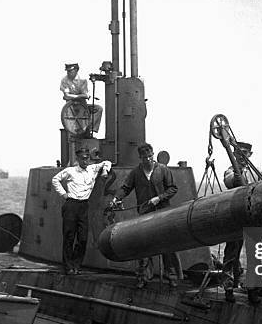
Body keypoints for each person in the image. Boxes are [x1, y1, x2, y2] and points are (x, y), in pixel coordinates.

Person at [111, 143, 182, 289]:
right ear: (140, 158)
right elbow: (126, 188)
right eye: (145, 157)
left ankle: (172, 276)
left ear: (153, 155)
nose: (148, 159)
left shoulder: (162, 170)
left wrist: (159, 198)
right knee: (144, 246)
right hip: (145, 214)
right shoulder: (136, 173)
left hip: (163, 212)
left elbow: (173, 188)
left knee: (167, 245)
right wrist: (117, 198)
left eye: (150, 156)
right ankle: (143, 277)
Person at [52, 146, 111, 275]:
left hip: (84, 206)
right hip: (71, 205)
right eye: (83, 159)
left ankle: (76, 265)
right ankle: (68, 266)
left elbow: (107, 162)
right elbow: (55, 179)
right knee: (69, 236)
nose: (86, 161)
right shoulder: (70, 171)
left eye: (87, 158)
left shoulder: (92, 169)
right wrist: (64, 194)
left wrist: (105, 171)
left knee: (83, 238)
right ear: (78, 159)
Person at [222, 141, 262, 304]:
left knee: (256, 256)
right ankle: (228, 288)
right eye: (238, 154)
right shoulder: (230, 171)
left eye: (244, 154)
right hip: (235, 219)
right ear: (234, 155)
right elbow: (231, 181)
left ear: (249, 155)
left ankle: (254, 290)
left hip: (253, 219)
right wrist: (237, 169)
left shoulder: (256, 171)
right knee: (231, 255)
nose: (241, 157)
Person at [60, 63, 103, 134]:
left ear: (76, 70)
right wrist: (79, 96)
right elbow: (67, 96)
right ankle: (79, 131)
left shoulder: (82, 80)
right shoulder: (64, 80)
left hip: (82, 105)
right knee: (75, 124)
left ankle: (90, 129)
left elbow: (85, 95)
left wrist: (74, 96)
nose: (68, 73)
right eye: (67, 71)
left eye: (70, 71)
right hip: (70, 107)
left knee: (98, 109)